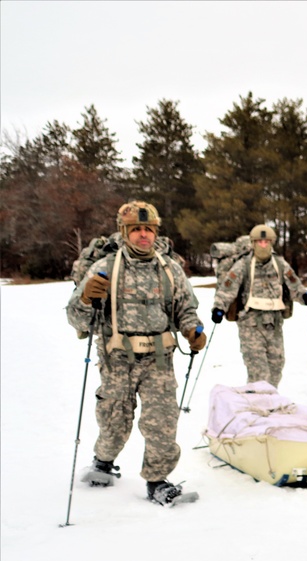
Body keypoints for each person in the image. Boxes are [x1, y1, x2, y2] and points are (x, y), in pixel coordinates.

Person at [68, 201, 206, 506]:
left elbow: (185, 308)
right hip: (117, 360)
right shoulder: (105, 267)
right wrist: (87, 299)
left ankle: (157, 481)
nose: (143, 235)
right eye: (136, 230)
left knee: (162, 421)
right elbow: (77, 320)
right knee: (115, 421)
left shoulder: (169, 268)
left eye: (149, 229)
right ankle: (103, 462)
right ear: (125, 232)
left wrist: (193, 330)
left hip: (158, 360)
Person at [210, 224, 307, 388]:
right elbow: (227, 289)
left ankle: (268, 405)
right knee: (259, 373)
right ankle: (257, 407)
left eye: (266, 242)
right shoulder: (242, 265)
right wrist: (219, 308)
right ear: (253, 243)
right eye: (259, 242)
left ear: (272, 243)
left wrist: (304, 296)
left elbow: (294, 285)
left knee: (276, 367)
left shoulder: (280, 264)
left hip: (274, 323)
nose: (263, 245)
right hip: (250, 324)